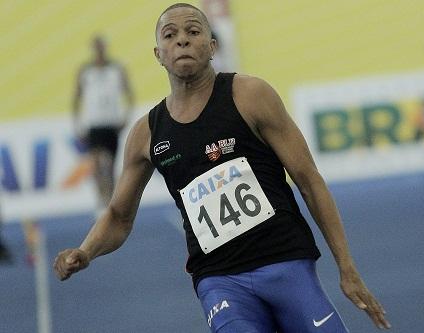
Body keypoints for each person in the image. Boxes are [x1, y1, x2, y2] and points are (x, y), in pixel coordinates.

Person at [54, 3, 391, 332]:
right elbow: (118, 216)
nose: (182, 40)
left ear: (212, 46)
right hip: (219, 281)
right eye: (170, 35)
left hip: (285, 264)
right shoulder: (147, 133)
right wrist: (86, 251)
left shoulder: (250, 96)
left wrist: (347, 268)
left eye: (193, 31)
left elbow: (309, 181)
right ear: (158, 54)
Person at [72, 35, 135, 210]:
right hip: (94, 125)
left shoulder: (116, 69)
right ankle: (102, 201)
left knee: (109, 166)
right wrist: (77, 124)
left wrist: (126, 118)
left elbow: (129, 94)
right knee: (97, 165)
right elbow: (76, 99)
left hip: (111, 124)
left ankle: (111, 201)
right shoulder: (85, 71)